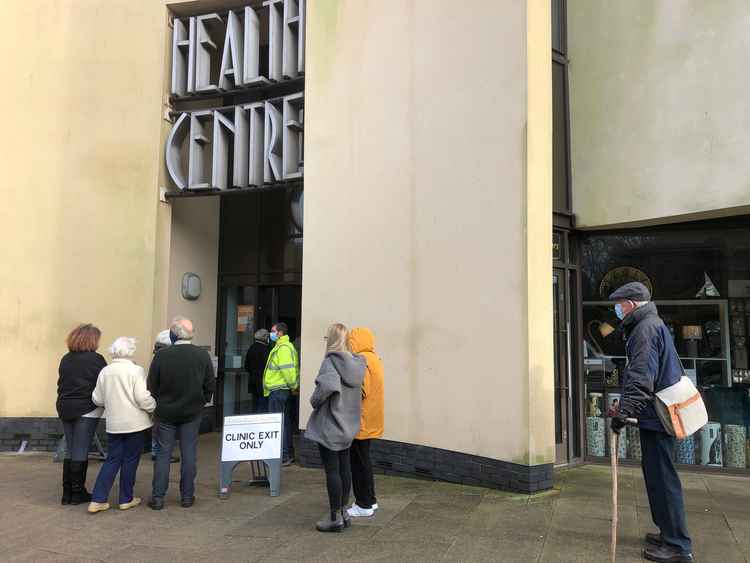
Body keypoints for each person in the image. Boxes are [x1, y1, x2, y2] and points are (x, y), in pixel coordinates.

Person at [609, 282, 693, 563]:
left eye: (619, 304)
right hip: (655, 415)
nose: (617, 309)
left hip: (658, 416)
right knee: (656, 477)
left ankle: (678, 546)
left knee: (663, 478)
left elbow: (642, 375)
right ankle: (667, 532)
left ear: (631, 304)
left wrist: (625, 412)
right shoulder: (649, 324)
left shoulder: (644, 329)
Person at [147, 317, 215, 510]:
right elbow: (210, 384)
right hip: (192, 412)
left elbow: (151, 385)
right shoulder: (202, 355)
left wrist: (159, 402)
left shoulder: (162, 356)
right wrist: (201, 402)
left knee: (163, 454)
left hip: (166, 412)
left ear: (173, 334)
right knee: (189, 453)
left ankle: (158, 497)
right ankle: (187, 496)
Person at [305, 323, 366, 532]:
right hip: (348, 425)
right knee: (344, 468)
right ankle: (344, 512)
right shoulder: (356, 364)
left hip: (331, 426)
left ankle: (334, 517)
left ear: (331, 339)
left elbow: (327, 387)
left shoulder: (331, 361)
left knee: (332, 471)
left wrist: (314, 400)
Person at [87, 337, 156, 513]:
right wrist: (153, 406)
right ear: (131, 351)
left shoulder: (105, 371)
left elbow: (97, 398)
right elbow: (142, 398)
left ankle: (98, 499)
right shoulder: (136, 370)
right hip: (135, 423)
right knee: (130, 460)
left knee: (112, 460)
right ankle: (126, 498)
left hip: (114, 423)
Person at [56, 323, 107, 505]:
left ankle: (67, 493)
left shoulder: (66, 359)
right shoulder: (96, 359)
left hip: (64, 407)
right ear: (91, 340)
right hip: (87, 408)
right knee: (81, 449)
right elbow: (103, 385)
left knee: (71, 449)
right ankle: (78, 493)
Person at [347, 327, 384, 518]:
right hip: (371, 419)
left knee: (358, 463)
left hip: (360, 421)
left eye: (350, 341)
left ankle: (363, 504)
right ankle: (371, 500)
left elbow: (360, 390)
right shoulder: (375, 359)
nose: (349, 345)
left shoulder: (361, 361)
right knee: (365, 461)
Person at [263, 322, 299, 465]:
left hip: (278, 391)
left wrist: (293, 386)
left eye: (272, 331)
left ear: (280, 333)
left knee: (279, 425)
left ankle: (284, 455)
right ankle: (287, 453)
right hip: (281, 391)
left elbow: (288, 371)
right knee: (285, 423)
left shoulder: (283, 348)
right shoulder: (282, 347)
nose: (270, 334)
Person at [150, 330, 178, 463]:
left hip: (157, 396)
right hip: (166, 397)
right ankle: (160, 452)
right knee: (165, 428)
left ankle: (156, 450)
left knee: (157, 426)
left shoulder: (157, 356)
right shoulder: (167, 356)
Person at [244, 328, 271, 414]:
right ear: (264, 337)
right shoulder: (266, 350)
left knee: (255, 404)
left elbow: (246, 366)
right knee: (262, 405)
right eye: (268, 337)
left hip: (253, 381)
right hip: (263, 382)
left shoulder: (251, 348)